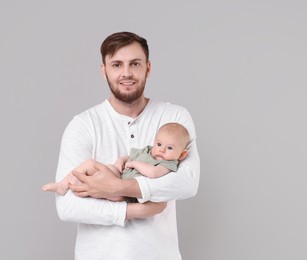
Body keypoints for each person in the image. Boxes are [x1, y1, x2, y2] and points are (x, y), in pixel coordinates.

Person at [53, 31, 200, 260]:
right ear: (104, 71)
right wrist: (135, 210)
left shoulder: (174, 117)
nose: (126, 73)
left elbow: (187, 183)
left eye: (135, 63)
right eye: (116, 65)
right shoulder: (83, 125)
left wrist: (115, 188)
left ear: (148, 68)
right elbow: (68, 207)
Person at [42, 122, 190, 200]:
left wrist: (133, 164)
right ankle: (63, 184)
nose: (162, 150)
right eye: (159, 144)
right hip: (118, 175)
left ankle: (86, 185)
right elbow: (128, 156)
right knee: (90, 164)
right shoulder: (148, 150)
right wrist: (121, 161)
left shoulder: (168, 164)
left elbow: (153, 173)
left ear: (182, 154)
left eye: (169, 148)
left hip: (127, 193)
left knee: (102, 187)